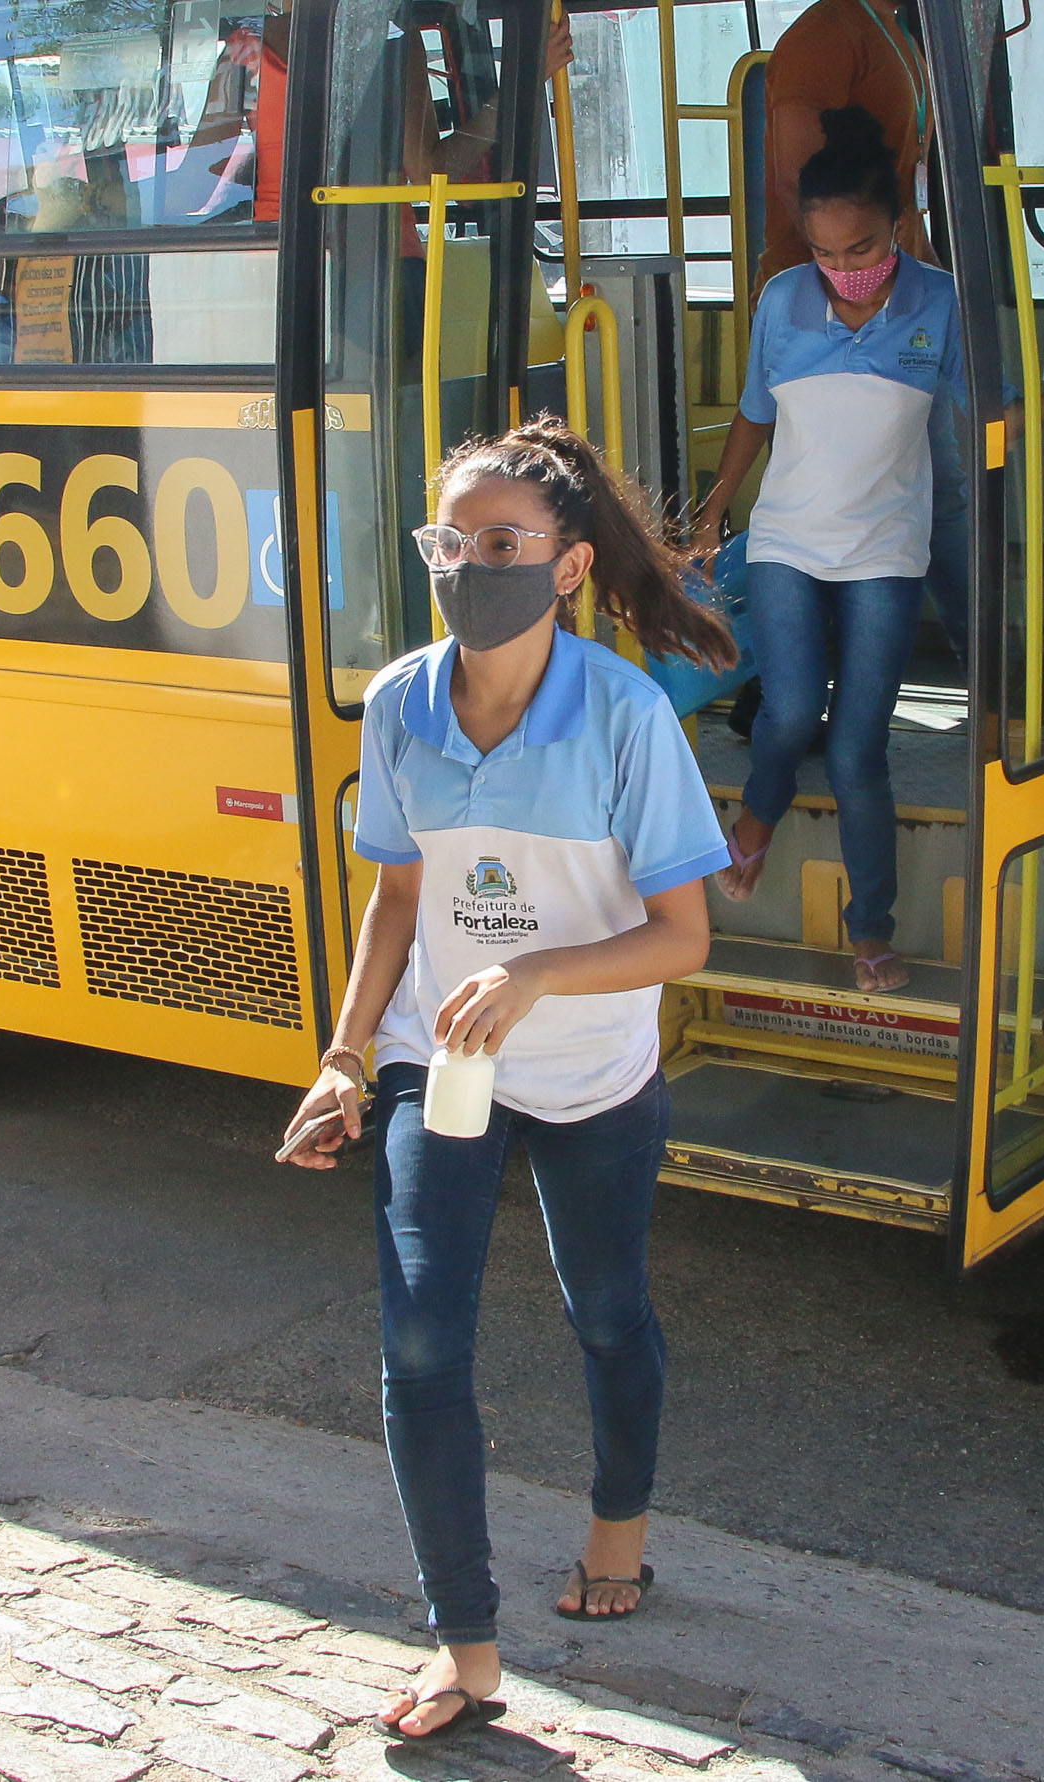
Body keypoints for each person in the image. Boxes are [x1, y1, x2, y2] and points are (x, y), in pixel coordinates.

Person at [277, 418, 735, 1742]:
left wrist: (536, 973)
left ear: (571, 565)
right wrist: (347, 1055)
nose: (468, 564)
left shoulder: (625, 714)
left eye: (499, 544)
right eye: (450, 542)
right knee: (420, 1342)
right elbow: (397, 896)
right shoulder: (403, 702)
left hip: (593, 1066)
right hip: (442, 1060)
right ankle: (465, 1648)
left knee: (605, 1312)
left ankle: (618, 1527)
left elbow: (684, 937)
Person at [695, 107, 961, 993]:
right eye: (826, 254)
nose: (844, 270)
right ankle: (761, 819)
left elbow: (989, 419)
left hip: (888, 550)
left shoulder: (942, 302)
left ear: (900, 226)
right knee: (791, 708)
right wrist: (713, 513)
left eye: (862, 248)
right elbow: (755, 415)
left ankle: (872, 927)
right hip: (786, 541)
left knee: (858, 752)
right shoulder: (781, 300)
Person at [757, 0, 933, 281]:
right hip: (818, 303)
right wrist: (852, 284)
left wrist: (934, 278)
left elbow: (905, 198)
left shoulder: (902, 34)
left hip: (895, 293)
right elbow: (796, 180)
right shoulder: (823, 32)